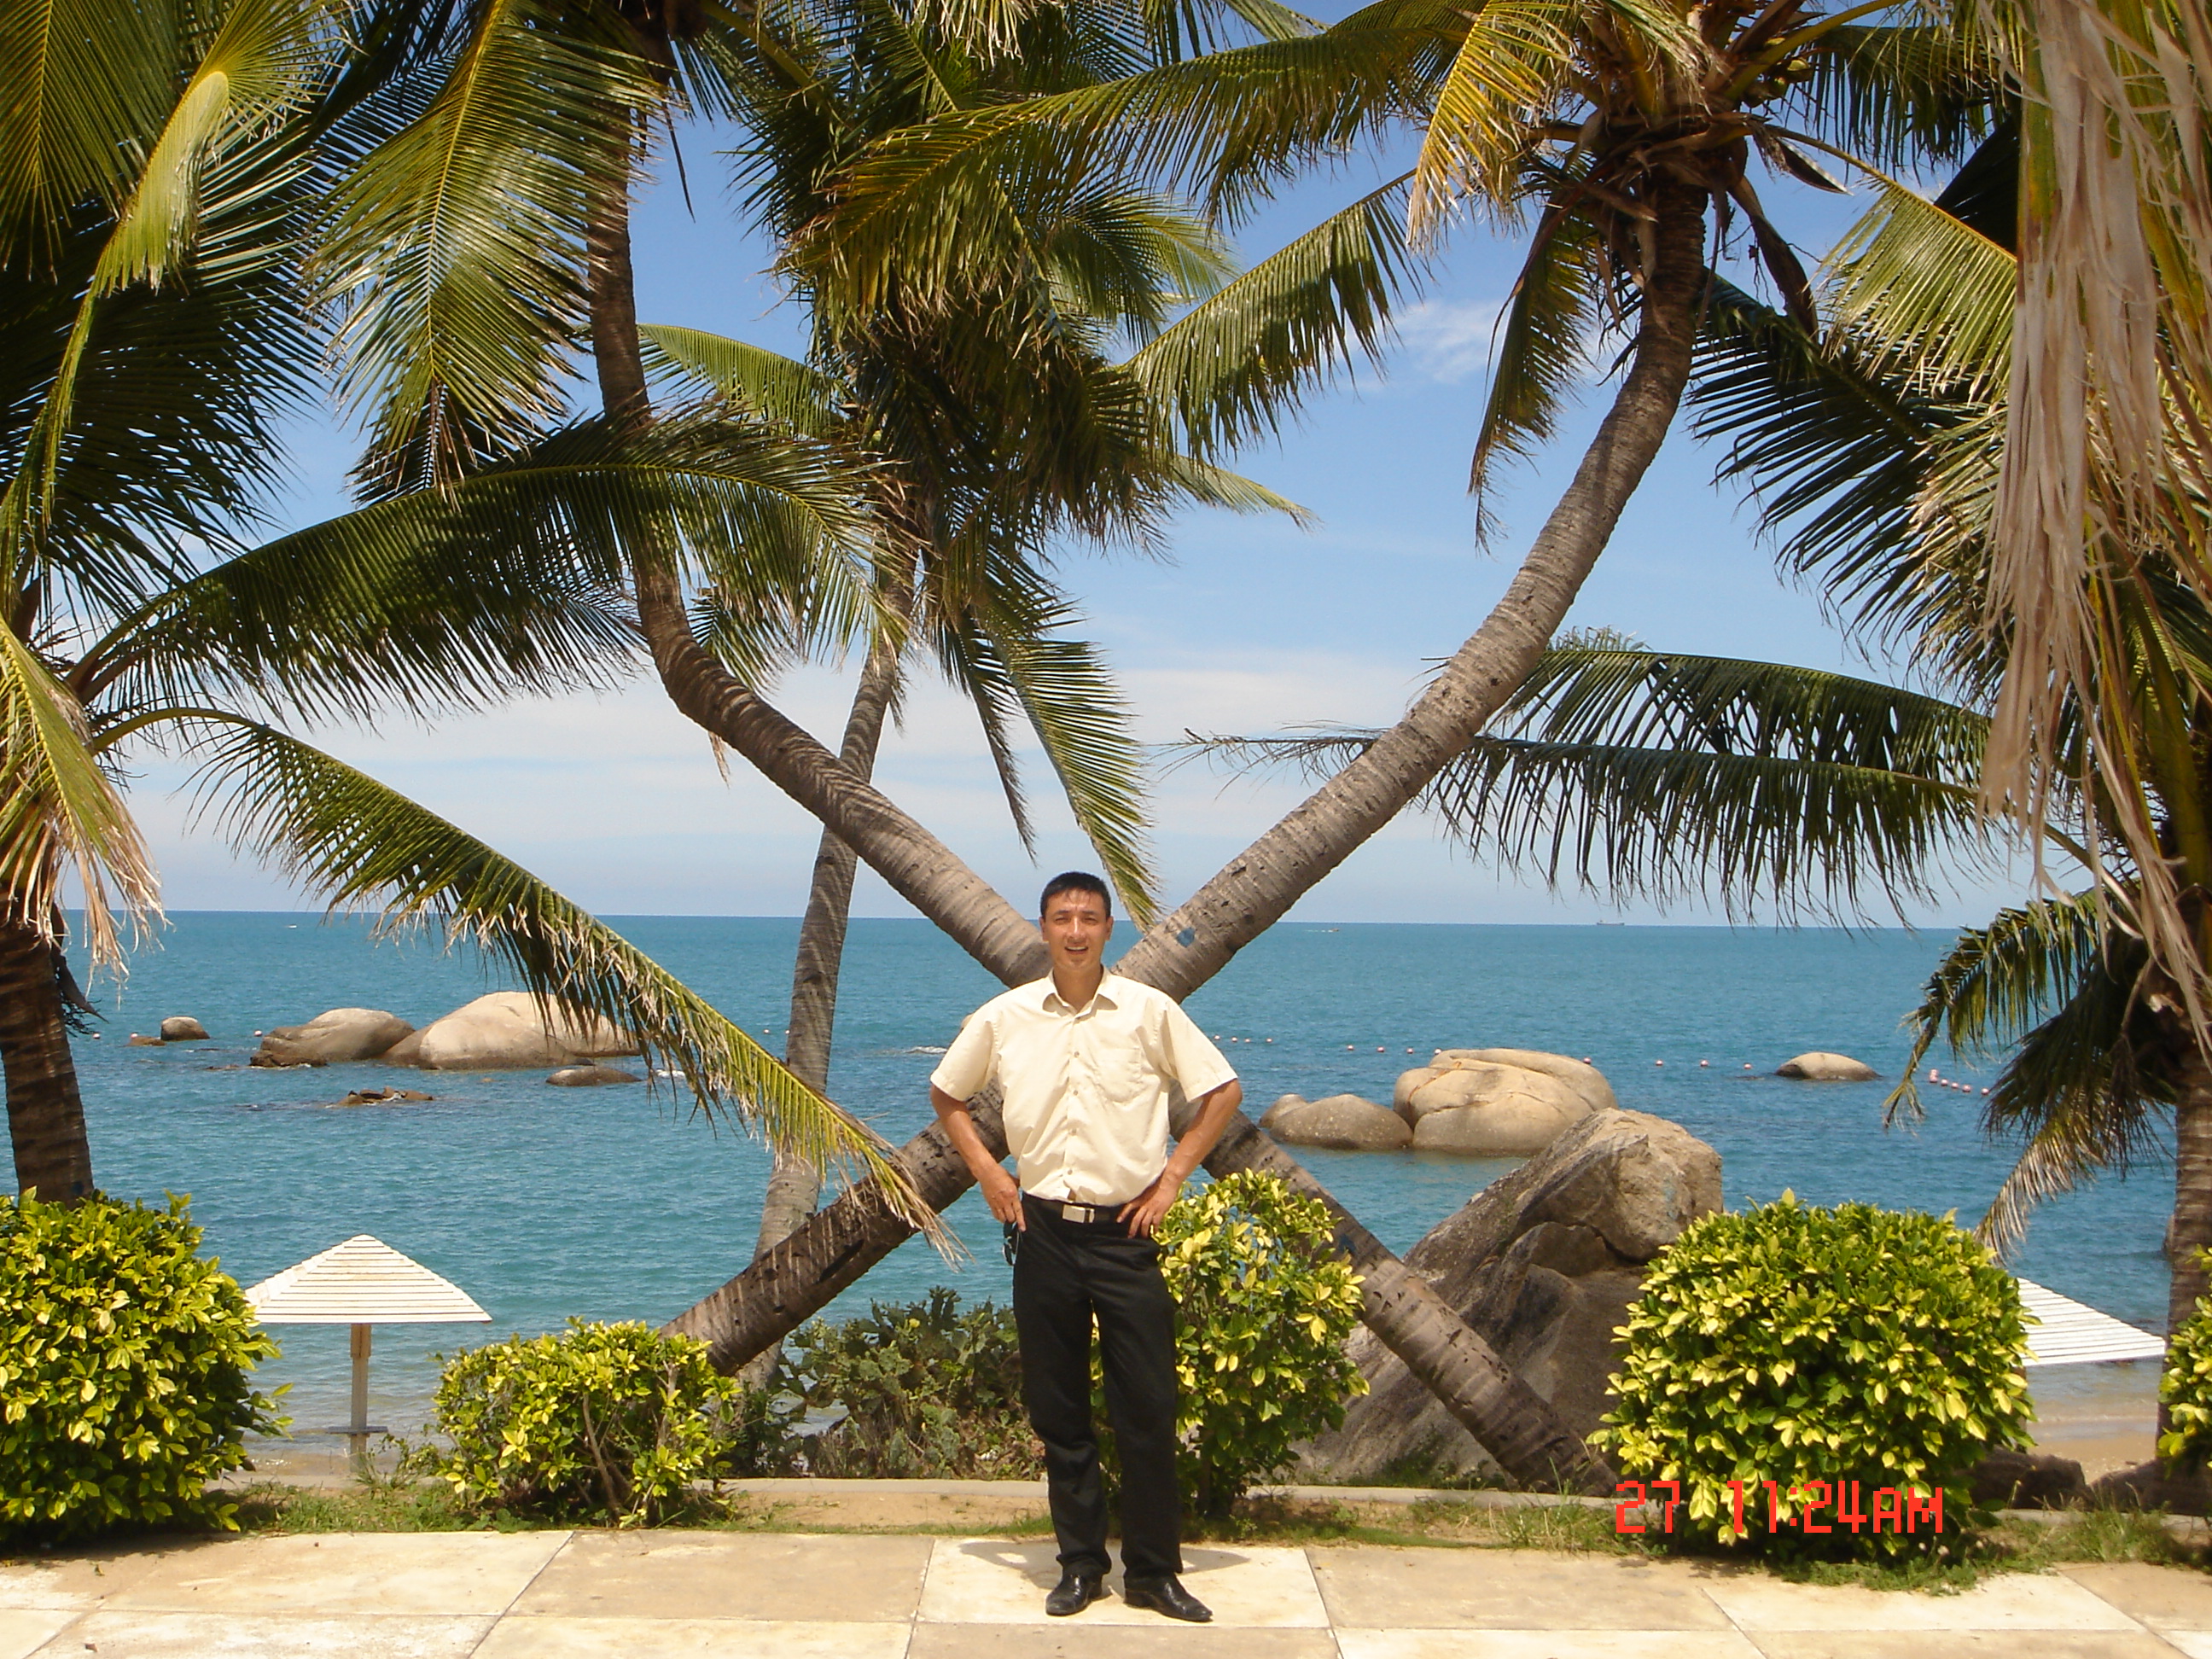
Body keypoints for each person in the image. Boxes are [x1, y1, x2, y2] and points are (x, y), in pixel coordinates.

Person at [929, 871, 1243, 1622]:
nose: (1076, 931)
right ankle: (1079, 1566)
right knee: (1059, 1409)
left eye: (1089, 918)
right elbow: (948, 1092)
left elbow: (1221, 1091)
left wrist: (1171, 1180)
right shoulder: (1006, 1017)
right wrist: (989, 1173)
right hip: (1042, 1233)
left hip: (1125, 1235)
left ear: (1108, 929)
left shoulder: (1148, 1011)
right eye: (1062, 918)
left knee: (1149, 1406)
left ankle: (1154, 1574)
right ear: (1043, 928)